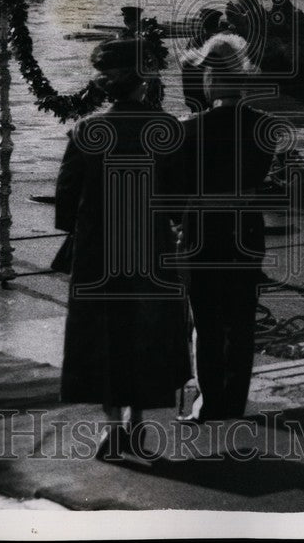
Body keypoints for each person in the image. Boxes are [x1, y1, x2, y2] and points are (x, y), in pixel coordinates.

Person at [55, 38, 190, 459]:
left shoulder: (85, 130)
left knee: (103, 334)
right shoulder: (166, 128)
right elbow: (178, 199)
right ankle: (138, 424)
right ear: (143, 80)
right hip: (149, 245)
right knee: (147, 331)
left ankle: (111, 428)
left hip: (98, 249)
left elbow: (65, 202)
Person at [175, 34, 274, 421]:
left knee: (206, 322)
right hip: (245, 231)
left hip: (202, 231)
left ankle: (208, 402)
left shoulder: (189, 128)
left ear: (212, 80)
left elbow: (177, 187)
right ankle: (235, 402)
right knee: (241, 321)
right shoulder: (264, 127)